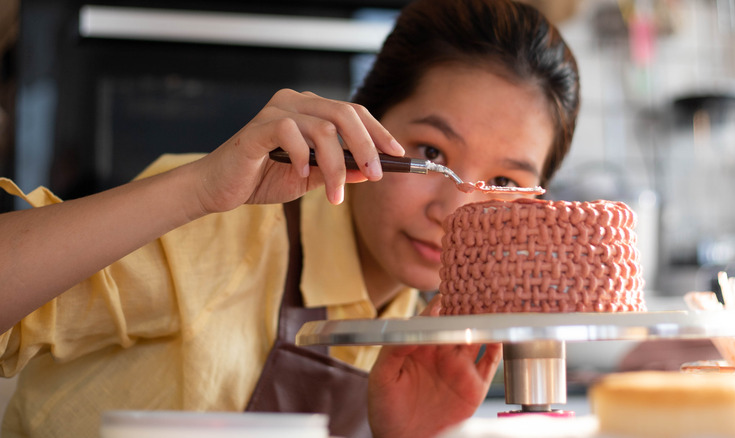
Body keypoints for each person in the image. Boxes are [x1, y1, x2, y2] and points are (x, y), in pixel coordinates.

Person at [0, 0, 580, 437]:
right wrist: (198, 189)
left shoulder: (420, 323)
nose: (452, 213)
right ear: (366, 127)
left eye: (503, 182)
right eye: (431, 153)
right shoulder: (223, 227)